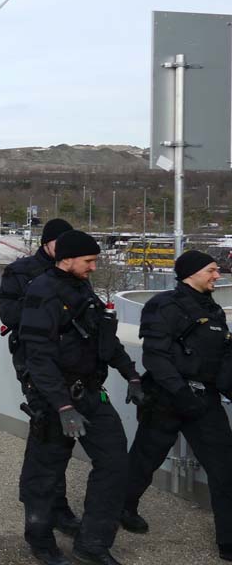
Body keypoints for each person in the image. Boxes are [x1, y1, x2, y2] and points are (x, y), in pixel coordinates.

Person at [17, 230, 143, 565]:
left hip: (91, 394)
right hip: (54, 399)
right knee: (45, 473)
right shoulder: (41, 292)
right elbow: (38, 358)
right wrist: (62, 406)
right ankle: (41, 541)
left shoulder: (81, 287)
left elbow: (104, 338)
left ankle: (93, 542)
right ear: (68, 258)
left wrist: (131, 374)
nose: (93, 267)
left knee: (115, 463)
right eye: (88, 261)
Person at [122, 251, 232, 560]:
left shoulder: (214, 310)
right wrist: (181, 393)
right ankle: (123, 508)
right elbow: (155, 356)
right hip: (167, 398)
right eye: (211, 270)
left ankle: (228, 541)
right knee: (144, 459)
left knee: (225, 469)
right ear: (192, 273)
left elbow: (220, 359)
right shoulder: (163, 306)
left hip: (205, 401)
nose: (217, 276)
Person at [0, 218, 80, 538]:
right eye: (61, 243)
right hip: (34, 360)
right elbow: (9, 315)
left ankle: (47, 501)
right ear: (47, 243)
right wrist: (51, 312)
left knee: (58, 435)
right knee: (49, 431)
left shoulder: (75, 272)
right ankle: (47, 507)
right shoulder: (21, 272)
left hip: (70, 363)